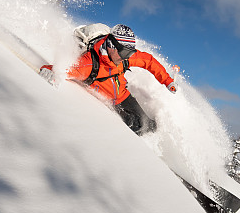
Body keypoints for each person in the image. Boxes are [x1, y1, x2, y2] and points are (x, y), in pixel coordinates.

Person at [39, 23, 177, 135]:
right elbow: (61, 69)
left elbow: (149, 61)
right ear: (111, 46)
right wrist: (50, 72)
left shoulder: (123, 57)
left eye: (130, 53)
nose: (127, 57)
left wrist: (168, 81)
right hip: (106, 104)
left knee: (147, 126)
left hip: (122, 96)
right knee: (130, 130)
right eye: (124, 52)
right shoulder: (88, 65)